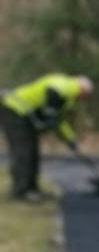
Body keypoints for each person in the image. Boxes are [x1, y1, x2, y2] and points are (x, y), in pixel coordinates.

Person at [1, 73, 93, 201]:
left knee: (32, 151)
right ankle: (21, 190)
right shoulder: (65, 84)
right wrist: (50, 112)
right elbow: (52, 92)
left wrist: (70, 139)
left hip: (24, 115)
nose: (84, 99)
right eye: (86, 95)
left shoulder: (67, 98)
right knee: (23, 151)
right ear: (82, 89)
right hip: (14, 109)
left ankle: (31, 188)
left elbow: (59, 120)